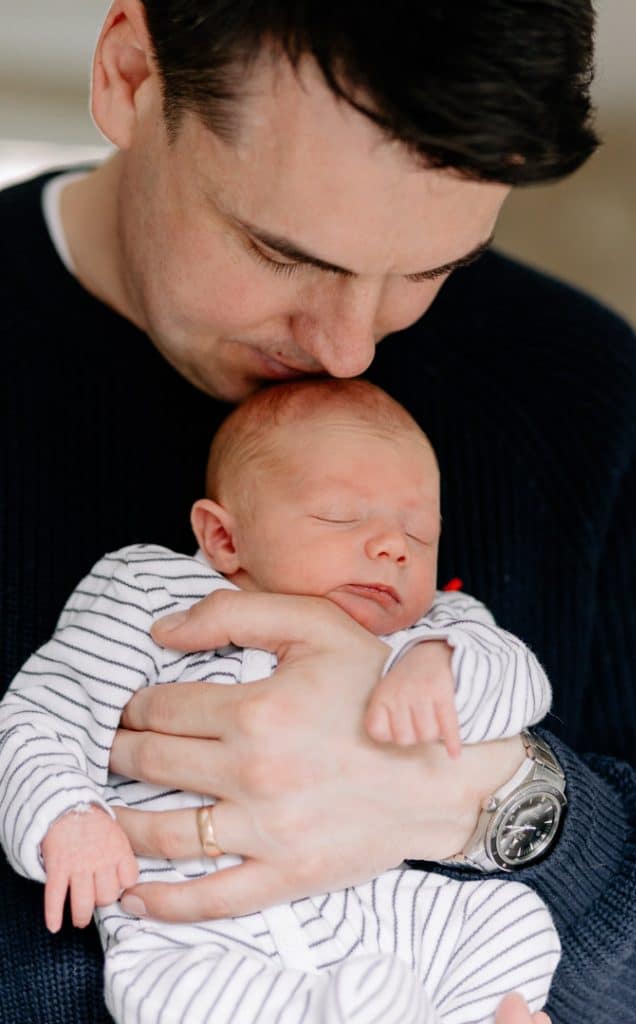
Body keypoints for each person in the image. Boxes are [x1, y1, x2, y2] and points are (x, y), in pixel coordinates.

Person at [0, 2, 636, 1023]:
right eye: (285, 255)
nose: (349, 350)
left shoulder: (579, 393)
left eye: (429, 273)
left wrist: (480, 799)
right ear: (130, 74)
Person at [0, 378, 562, 1023]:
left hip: (361, 910)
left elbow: (523, 683)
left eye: (420, 533)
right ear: (224, 539)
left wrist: (439, 664)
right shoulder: (150, 593)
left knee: (509, 920)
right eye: (340, 516)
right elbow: (44, 713)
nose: (393, 547)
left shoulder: (432, 627)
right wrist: (64, 814)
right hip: (186, 930)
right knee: (161, 998)